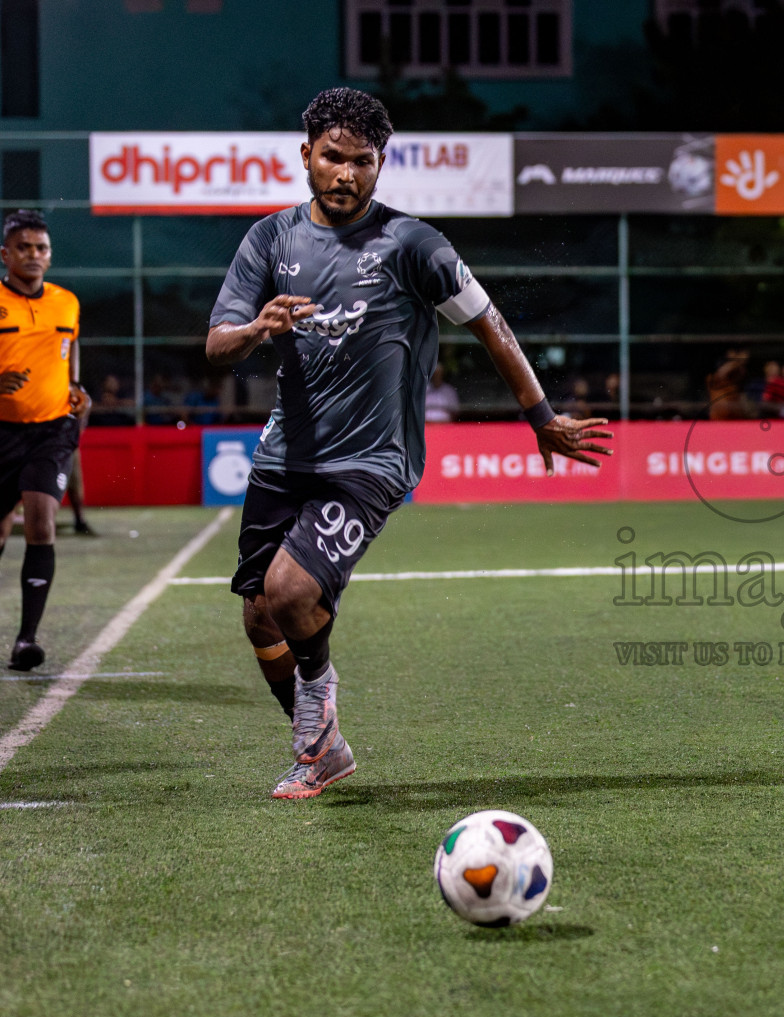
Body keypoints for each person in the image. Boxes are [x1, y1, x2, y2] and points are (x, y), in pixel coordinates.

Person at [206, 88, 614, 800]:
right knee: (259, 615)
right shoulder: (269, 240)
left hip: (372, 460)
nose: (346, 174)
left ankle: (316, 723)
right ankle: (320, 743)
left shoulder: (414, 245)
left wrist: (540, 413)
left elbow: (489, 323)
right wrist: (256, 329)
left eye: (363, 161)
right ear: (306, 156)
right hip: (283, 456)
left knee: (291, 591)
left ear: (380, 164)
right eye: (332, 157)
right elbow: (216, 344)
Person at [0, 209, 88, 671]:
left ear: (50, 256)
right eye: (24, 247)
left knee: (40, 522)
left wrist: (76, 387)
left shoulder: (66, 302)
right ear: (5, 254)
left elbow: (70, 347)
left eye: (41, 248)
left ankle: (26, 641)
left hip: (51, 430)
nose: (34, 255)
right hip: (1, 431)